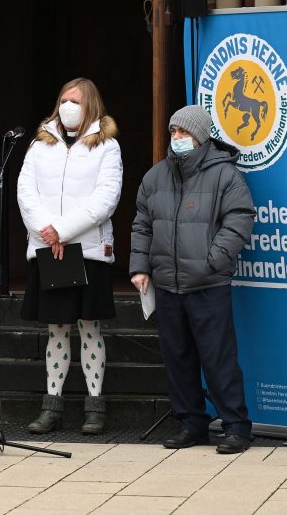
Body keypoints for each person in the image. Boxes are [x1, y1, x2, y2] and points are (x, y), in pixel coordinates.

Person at [129, 104, 255, 454]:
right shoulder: (155, 177)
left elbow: (239, 219)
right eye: (173, 132)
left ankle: (236, 427)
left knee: (218, 358)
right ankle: (191, 423)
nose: (177, 138)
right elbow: (141, 224)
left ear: (200, 136)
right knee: (178, 357)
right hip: (168, 285)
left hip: (208, 284)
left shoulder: (225, 176)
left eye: (183, 132)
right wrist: (140, 267)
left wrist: (212, 260)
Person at [17, 77, 123, 435]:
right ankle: (52, 407)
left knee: (89, 327)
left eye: (75, 100)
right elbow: (25, 192)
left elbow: (106, 198)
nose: (68, 106)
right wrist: (48, 231)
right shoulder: (39, 144)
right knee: (56, 328)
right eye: (63, 99)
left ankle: (94, 407)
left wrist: (62, 230)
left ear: (90, 104)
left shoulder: (107, 146)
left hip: (87, 250)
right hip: (49, 250)